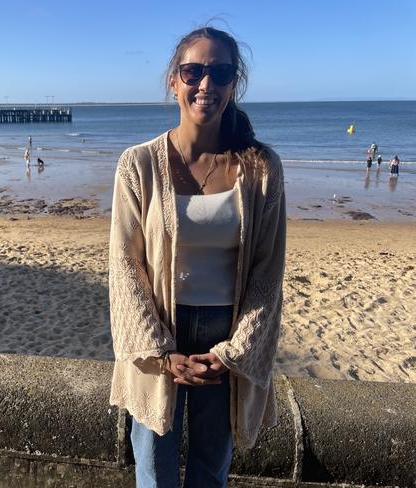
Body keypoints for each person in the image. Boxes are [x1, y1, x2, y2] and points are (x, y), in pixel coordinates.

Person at [109, 25, 286, 488]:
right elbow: (125, 268)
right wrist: (161, 352)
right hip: (159, 333)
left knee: (212, 469)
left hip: (224, 341)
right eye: (194, 71)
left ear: (233, 84)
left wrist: (233, 352)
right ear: (174, 80)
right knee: (153, 470)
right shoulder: (138, 164)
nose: (206, 84)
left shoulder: (261, 167)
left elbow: (268, 272)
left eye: (221, 73)